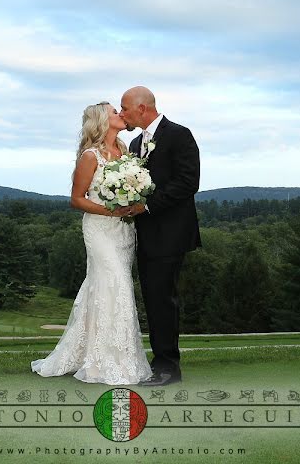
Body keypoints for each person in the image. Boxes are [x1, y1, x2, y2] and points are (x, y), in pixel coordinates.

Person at [31, 102, 153, 385]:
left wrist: (133, 201)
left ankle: (109, 354)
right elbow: (77, 199)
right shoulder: (90, 156)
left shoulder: (126, 152)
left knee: (103, 287)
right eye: (114, 112)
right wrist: (111, 210)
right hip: (99, 230)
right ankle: (102, 364)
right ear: (101, 121)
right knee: (116, 284)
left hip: (123, 232)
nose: (120, 115)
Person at [120, 86, 201, 387]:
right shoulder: (134, 143)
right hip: (145, 235)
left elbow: (188, 182)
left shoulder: (179, 134)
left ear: (142, 108)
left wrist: (147, 205)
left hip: (170, 234)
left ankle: (168, 368)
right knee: (153, 299)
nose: (122, 113)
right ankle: (159, 363)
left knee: (162, 300)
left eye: (125, 108)